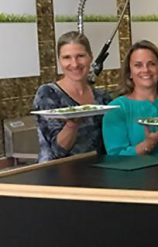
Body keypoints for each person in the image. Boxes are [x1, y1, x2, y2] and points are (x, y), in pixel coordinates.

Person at [33, 31, 112, 162]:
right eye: (67, 57)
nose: (74, 64)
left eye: (80, 56)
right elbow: (57, 150)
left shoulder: (103, 98)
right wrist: (72, 124)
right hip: (55, 175)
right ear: (59, 61)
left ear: (91, 57)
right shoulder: (48, 94)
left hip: (96, 173)